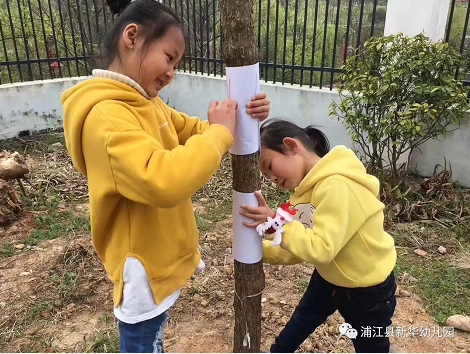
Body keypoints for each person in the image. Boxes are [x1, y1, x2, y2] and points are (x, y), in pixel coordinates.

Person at [60, 0, 270, 352]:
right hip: (142, 269)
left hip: (157, 255)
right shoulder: (106, 117)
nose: (172, 71)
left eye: (177, 63)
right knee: (143, 342)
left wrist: (242, 120)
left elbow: (193, 130)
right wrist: (220, 135)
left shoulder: (144, 101)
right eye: (169, 57)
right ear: (132, 37)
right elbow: (164, 179)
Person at [240, 119, 397, 353]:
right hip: (329, 275)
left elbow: (322, 248)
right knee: (303, 319)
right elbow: (301, 245)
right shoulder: (303, 193)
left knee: (371, 345)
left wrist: (274, 221)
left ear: (291, 145)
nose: (271, 178)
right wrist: (255, 251)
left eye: (270, 166)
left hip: (366, 289)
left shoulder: (337, 185)